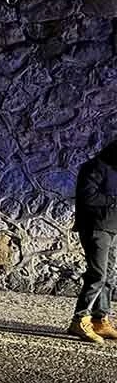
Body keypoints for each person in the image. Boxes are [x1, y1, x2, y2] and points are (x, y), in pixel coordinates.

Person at [68, 140, 117, 343]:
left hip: (112, 228)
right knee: (98, 274)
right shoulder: (95, 167)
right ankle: (80, 319)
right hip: (96, 228)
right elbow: (87, 196)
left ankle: (100, 319)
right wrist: (113, 200)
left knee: (110, 275)